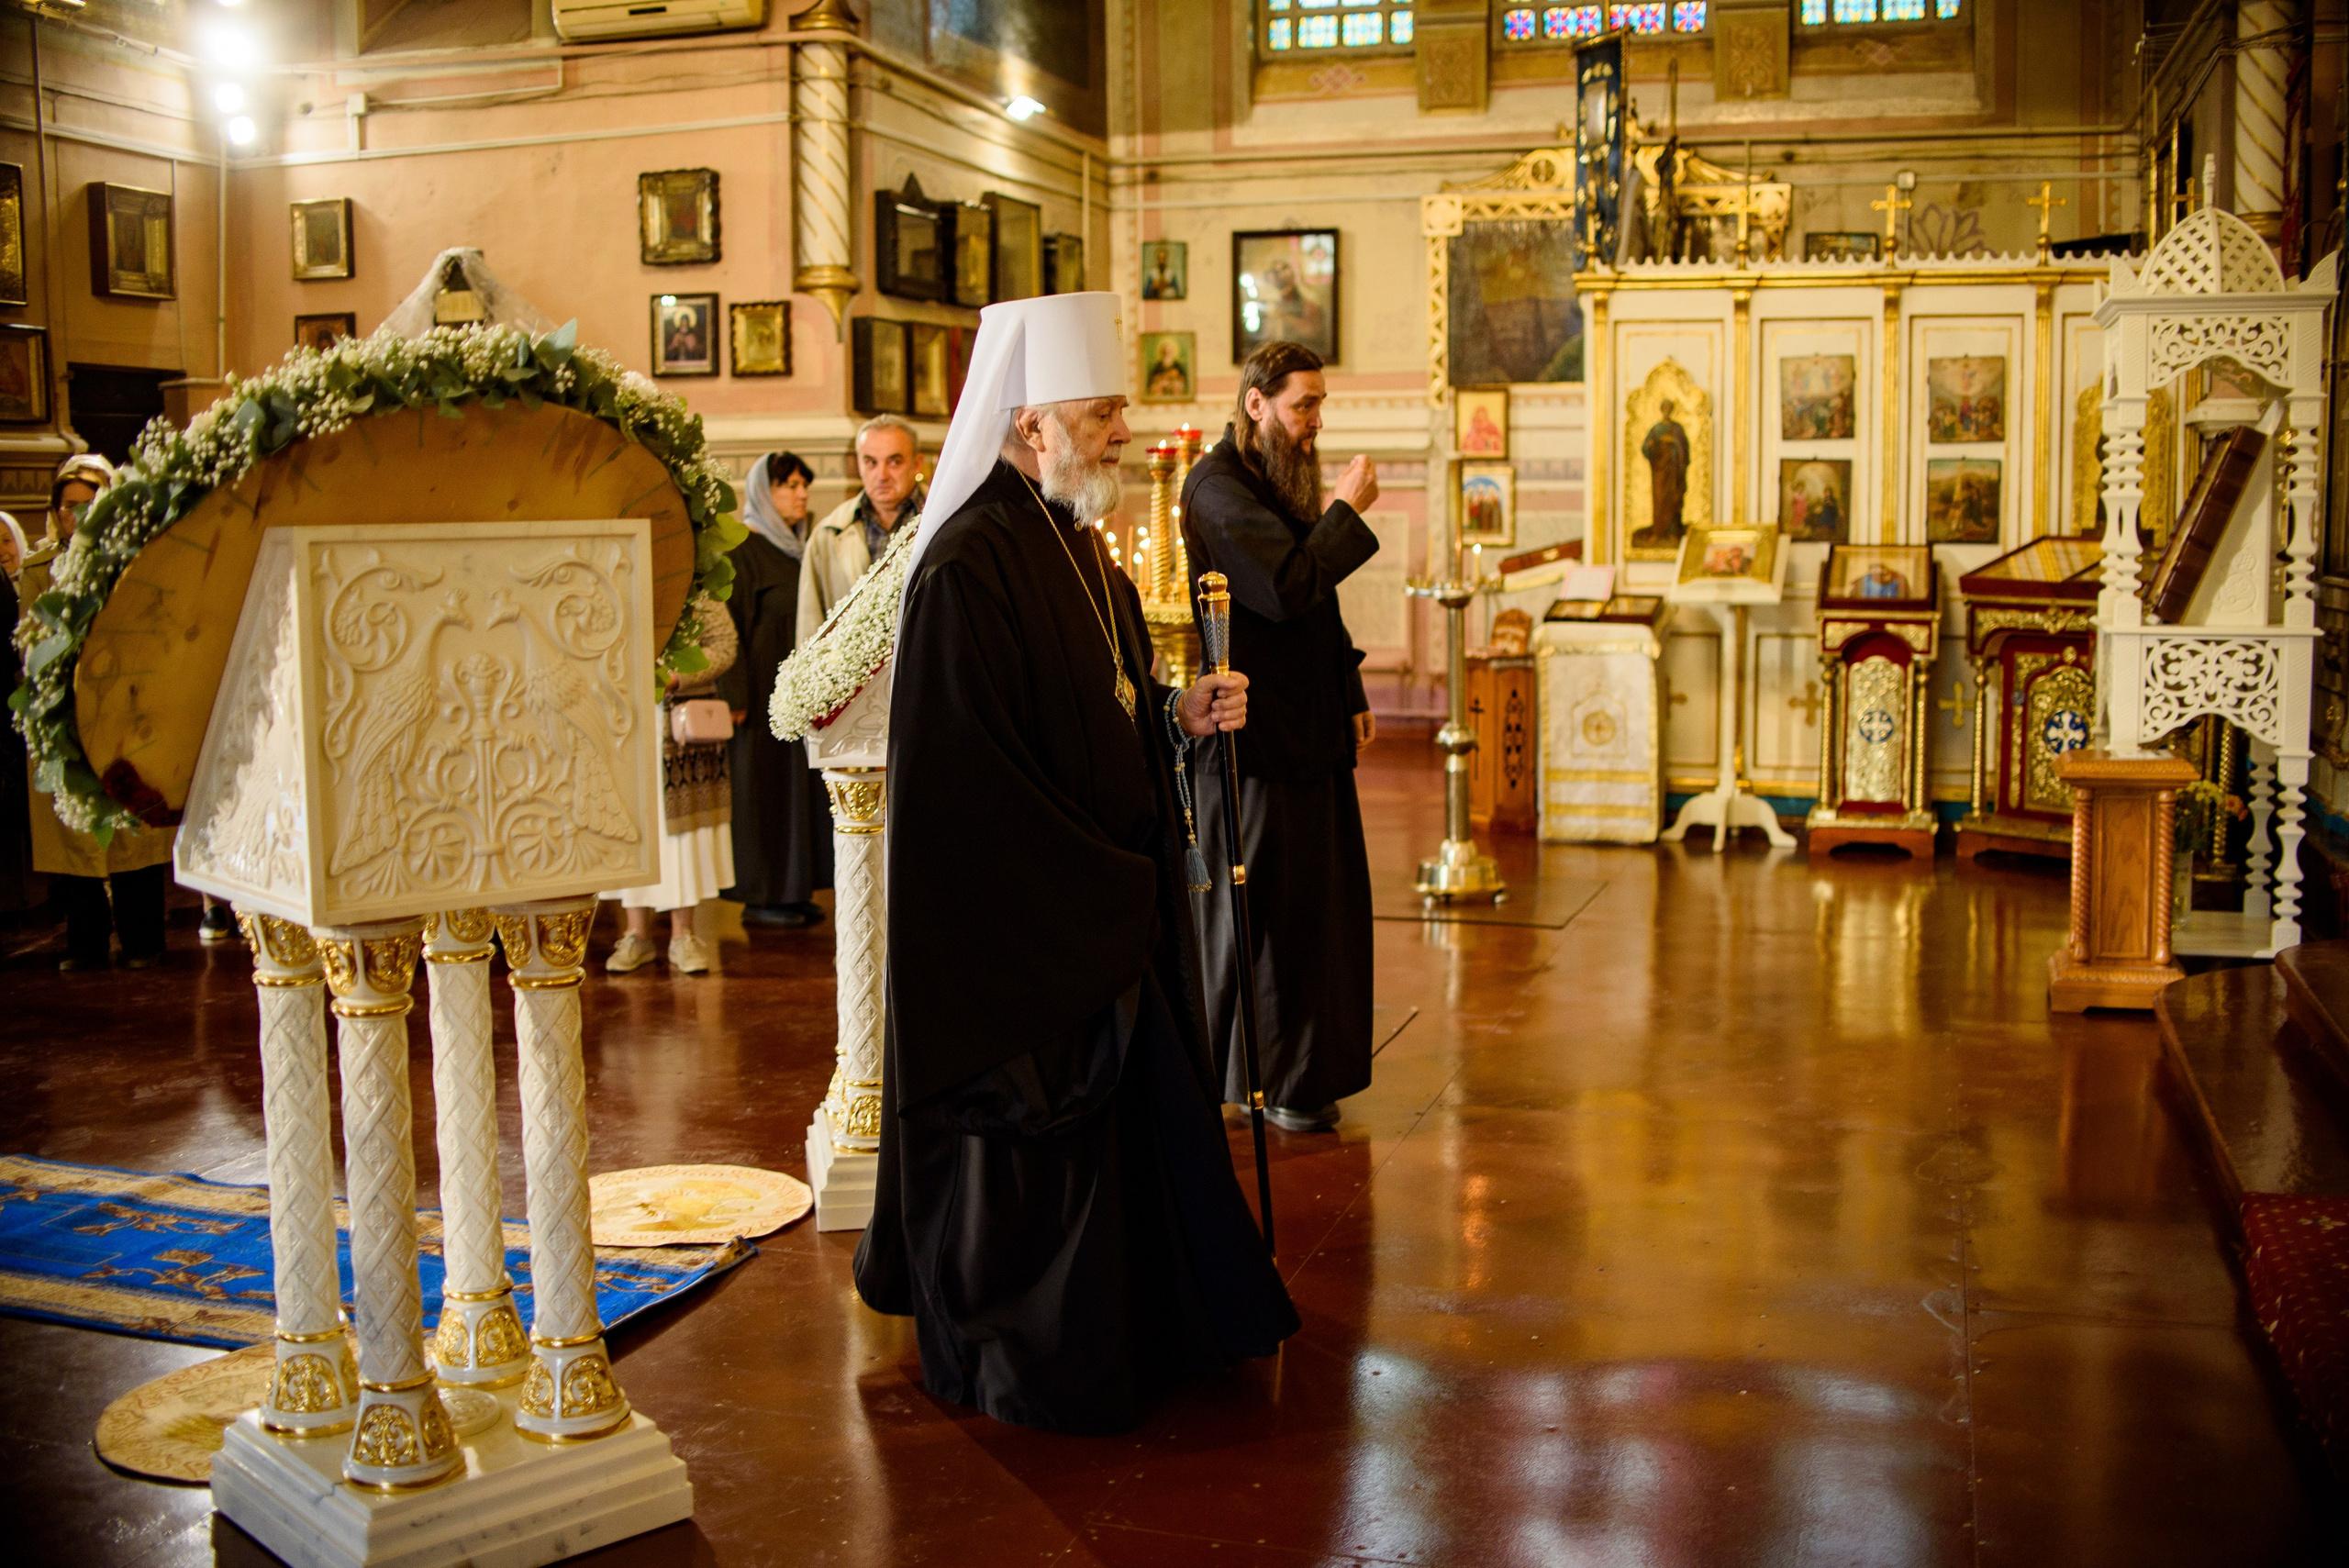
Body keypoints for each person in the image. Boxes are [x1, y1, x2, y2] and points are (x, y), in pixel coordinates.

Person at [853, 292, 1298, 1435]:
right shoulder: (964, 567)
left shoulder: (1076, 545)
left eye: (1116, 411)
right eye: (1100, 413)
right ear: (1029, 422)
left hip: (1104, 911)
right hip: (1033, 942)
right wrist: (1101, 881)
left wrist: (1175, 716)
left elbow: (1100, 708)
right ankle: (1040, 1353)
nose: (1122, 432)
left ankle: (1151, 1329)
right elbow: (972, 789)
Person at [1180, 339, 1381, 1135]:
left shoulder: (1275, 476)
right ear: (1256, 403)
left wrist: (1351, 687)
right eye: (1304, 405)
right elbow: (1290, 586)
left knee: (1318, 913)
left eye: (1320, 406)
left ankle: (1305, 1073)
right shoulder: (1216, 490)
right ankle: (1258, 1078)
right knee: (1264, 920)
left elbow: (1320, 610)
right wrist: (1346, 514)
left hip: (1312, 727)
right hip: (1254, 740)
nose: (1315, 422)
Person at [26, 453, 172, 969]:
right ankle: (84, 943)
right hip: (63, 709)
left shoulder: (137, 556)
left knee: (131, 824)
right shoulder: (37, 571)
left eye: (91, 505)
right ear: (56, 512)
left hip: (122, 708)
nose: (80, 517)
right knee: (76, 830)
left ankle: (143, 939)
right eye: (70, 508)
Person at [719, 451, 832, 929]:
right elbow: (730, 628)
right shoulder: (742, 549)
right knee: (763, 794)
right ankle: (763, 893)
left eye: (803, 484)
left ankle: (794, 890)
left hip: (799, 695)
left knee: (799, 792)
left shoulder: (804, 547)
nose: (801, 494)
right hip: (760, 698)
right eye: (788, 485)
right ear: (765, 493)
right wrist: (736, 698)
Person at [608, 595, 739, 975]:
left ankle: (684, 935)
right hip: (626, 720)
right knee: (633, 824)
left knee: (683, 832)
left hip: (682, 724)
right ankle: (636, 934)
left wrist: (679, 676)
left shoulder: (697, 588)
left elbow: (725, 647)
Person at [797, 415, 925, 648]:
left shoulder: (945, 521)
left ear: (916, 464)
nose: (882, 475)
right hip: (855, 674)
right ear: (859, 464)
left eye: (894, 462)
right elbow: (810, 625)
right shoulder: (828, 535)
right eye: (871, 462)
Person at [1637, 399, 1690, 548]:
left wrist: (1673, 441)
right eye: (1664, 407)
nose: (1666, 410)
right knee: (1660, 499)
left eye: (1669, 408)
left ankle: (1673, 532)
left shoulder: (1677, 429)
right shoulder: (1656, 429)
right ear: (1661, 409)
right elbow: (1647, 447)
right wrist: (1651, 446)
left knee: (1672, 498)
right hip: (1660, 470)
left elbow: (1683, 448)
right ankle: (1658, 532)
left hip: (1673, 470)